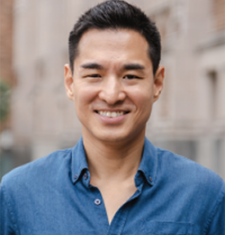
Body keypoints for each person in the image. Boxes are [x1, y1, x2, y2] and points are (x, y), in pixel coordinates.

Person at [0, 0, 225, 234]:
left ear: (157, 83)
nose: (111, 95)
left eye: (130, 76)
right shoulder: (18, 194)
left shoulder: (205, 195)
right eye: (94, 75)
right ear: (70, 83)